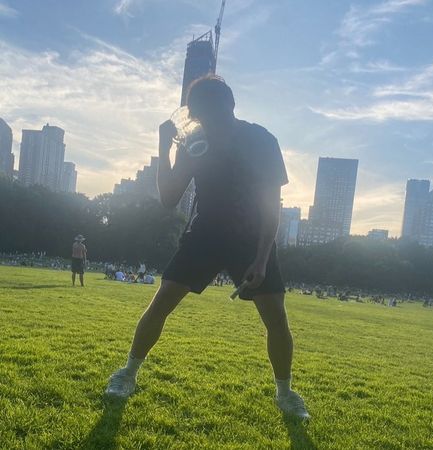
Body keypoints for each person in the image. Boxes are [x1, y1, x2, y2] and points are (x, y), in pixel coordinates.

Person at [105, 75, 310, 419]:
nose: (207, 121)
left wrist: (262, 258)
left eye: (212, 113)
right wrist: (164, 147)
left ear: (230, 106)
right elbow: (169, 198)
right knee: (161, 303)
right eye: (200, 115)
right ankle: (127, 374)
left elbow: (270, 205)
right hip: (206, 232)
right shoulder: (194, 142)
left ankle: (285, 394)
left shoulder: (261, 140)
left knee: (276, 318)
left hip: (251, 236)